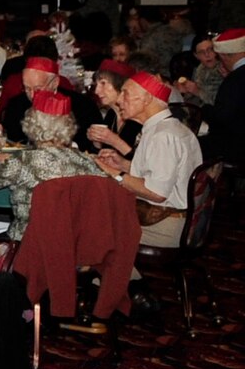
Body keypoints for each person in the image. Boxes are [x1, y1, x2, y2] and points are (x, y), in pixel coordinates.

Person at [0, 91, 102, 241]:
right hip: (73, 244)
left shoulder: (22, 161)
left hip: (27, 244)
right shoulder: (87, 162)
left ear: (31, 124)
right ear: (69, 125)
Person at [94, 72, 200, 248]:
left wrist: (115, 174)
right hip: (176, 218)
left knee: (90, 223)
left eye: (125, 93)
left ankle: (113, 274)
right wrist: (124, 164)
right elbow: (161, 175)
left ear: (147, 99)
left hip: (165, 226)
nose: (119, 100)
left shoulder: (163, 136)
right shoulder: (167, 127)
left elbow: (157, 193)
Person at [0, 56, 101, 149]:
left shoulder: (83, 106)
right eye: (27, 88)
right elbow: (13, 143)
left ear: (55, 82)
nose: (32, 95)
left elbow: (91, 147)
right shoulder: (16, 105)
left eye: (38, 89)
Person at [206, 29, 245, 167]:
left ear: (223, 56)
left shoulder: (233, 81)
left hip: (238, 150)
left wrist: (206, 111)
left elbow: (222, 117)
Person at [87, 61, 141, 157]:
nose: (96, 91)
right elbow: (100, 157)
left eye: (103, 83)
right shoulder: (112, 114)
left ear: (121, 85)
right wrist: (97, 142)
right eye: (97, 85)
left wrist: (114, 141)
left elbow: (143, 165)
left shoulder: (138, 119)